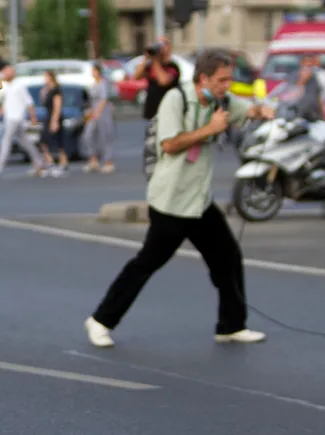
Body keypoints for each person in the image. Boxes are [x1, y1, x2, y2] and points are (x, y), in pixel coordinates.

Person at [85, 50, 274, 348]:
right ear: (204, 78)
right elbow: (170, 144)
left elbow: (246, 110)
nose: (228, 85)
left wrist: (261, 111)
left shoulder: (220, 100)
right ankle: (100, 321)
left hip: (199, 200)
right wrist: (209, 130)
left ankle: (231, 325)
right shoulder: (177, 99)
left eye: (229, 80)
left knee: (228, 258)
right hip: (172, 201)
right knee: (146, 264)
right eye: (222, 80)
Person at [0, 62, 43, 177]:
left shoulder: (19, 85)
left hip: (15, 118)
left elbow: (29, 102)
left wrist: (33, 117)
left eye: (7, 70)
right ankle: (39, 162)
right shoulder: (8, 86)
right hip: (11, 118)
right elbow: (6, 106)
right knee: (25, 142)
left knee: (5, 141)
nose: (4, 73)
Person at [137, 37, 182, 179]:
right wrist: (146, 58)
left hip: (168, 113)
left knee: (166, 144)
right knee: (152, 147)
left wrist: (156, 61)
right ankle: (153, 173)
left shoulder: (173, 67)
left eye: (163, 44)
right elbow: (136, 75)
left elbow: (163, 80)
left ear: (169, 47)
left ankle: (168, 172)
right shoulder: (150, 65)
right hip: (152, 113)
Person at [82, 63, 117, 173]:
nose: (92, 73)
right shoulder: (93, 84)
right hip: (93, 112)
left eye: (94, 71)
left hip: (103, 112)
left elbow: (104, 99)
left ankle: (108, 162)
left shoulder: (103, 83)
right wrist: (90, 112)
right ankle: (93, 160)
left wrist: (98, 112)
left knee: (105, 136)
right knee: (88, 135)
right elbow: (91, 100)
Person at [288, 53, 325, 121]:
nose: (308, 66)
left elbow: (324, 95)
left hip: (314, 114)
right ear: (302, 63)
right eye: (306, 63)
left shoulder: (318, 76)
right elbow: (291, 94)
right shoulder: (295, 76)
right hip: (298, 113)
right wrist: (303, 80)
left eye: (310, 64)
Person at [38, 70, 67, 177]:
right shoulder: (48, 90)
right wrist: (44, 91)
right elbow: (43, 102)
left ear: (51, 77)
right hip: (48, 116)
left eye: (46, 76)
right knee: (45, 141)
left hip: (54, 117)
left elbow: (57, 106)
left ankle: (60, 164)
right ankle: (51, 163)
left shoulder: (56, 90)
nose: (44, 78)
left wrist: (54, 121)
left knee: (55, 141)